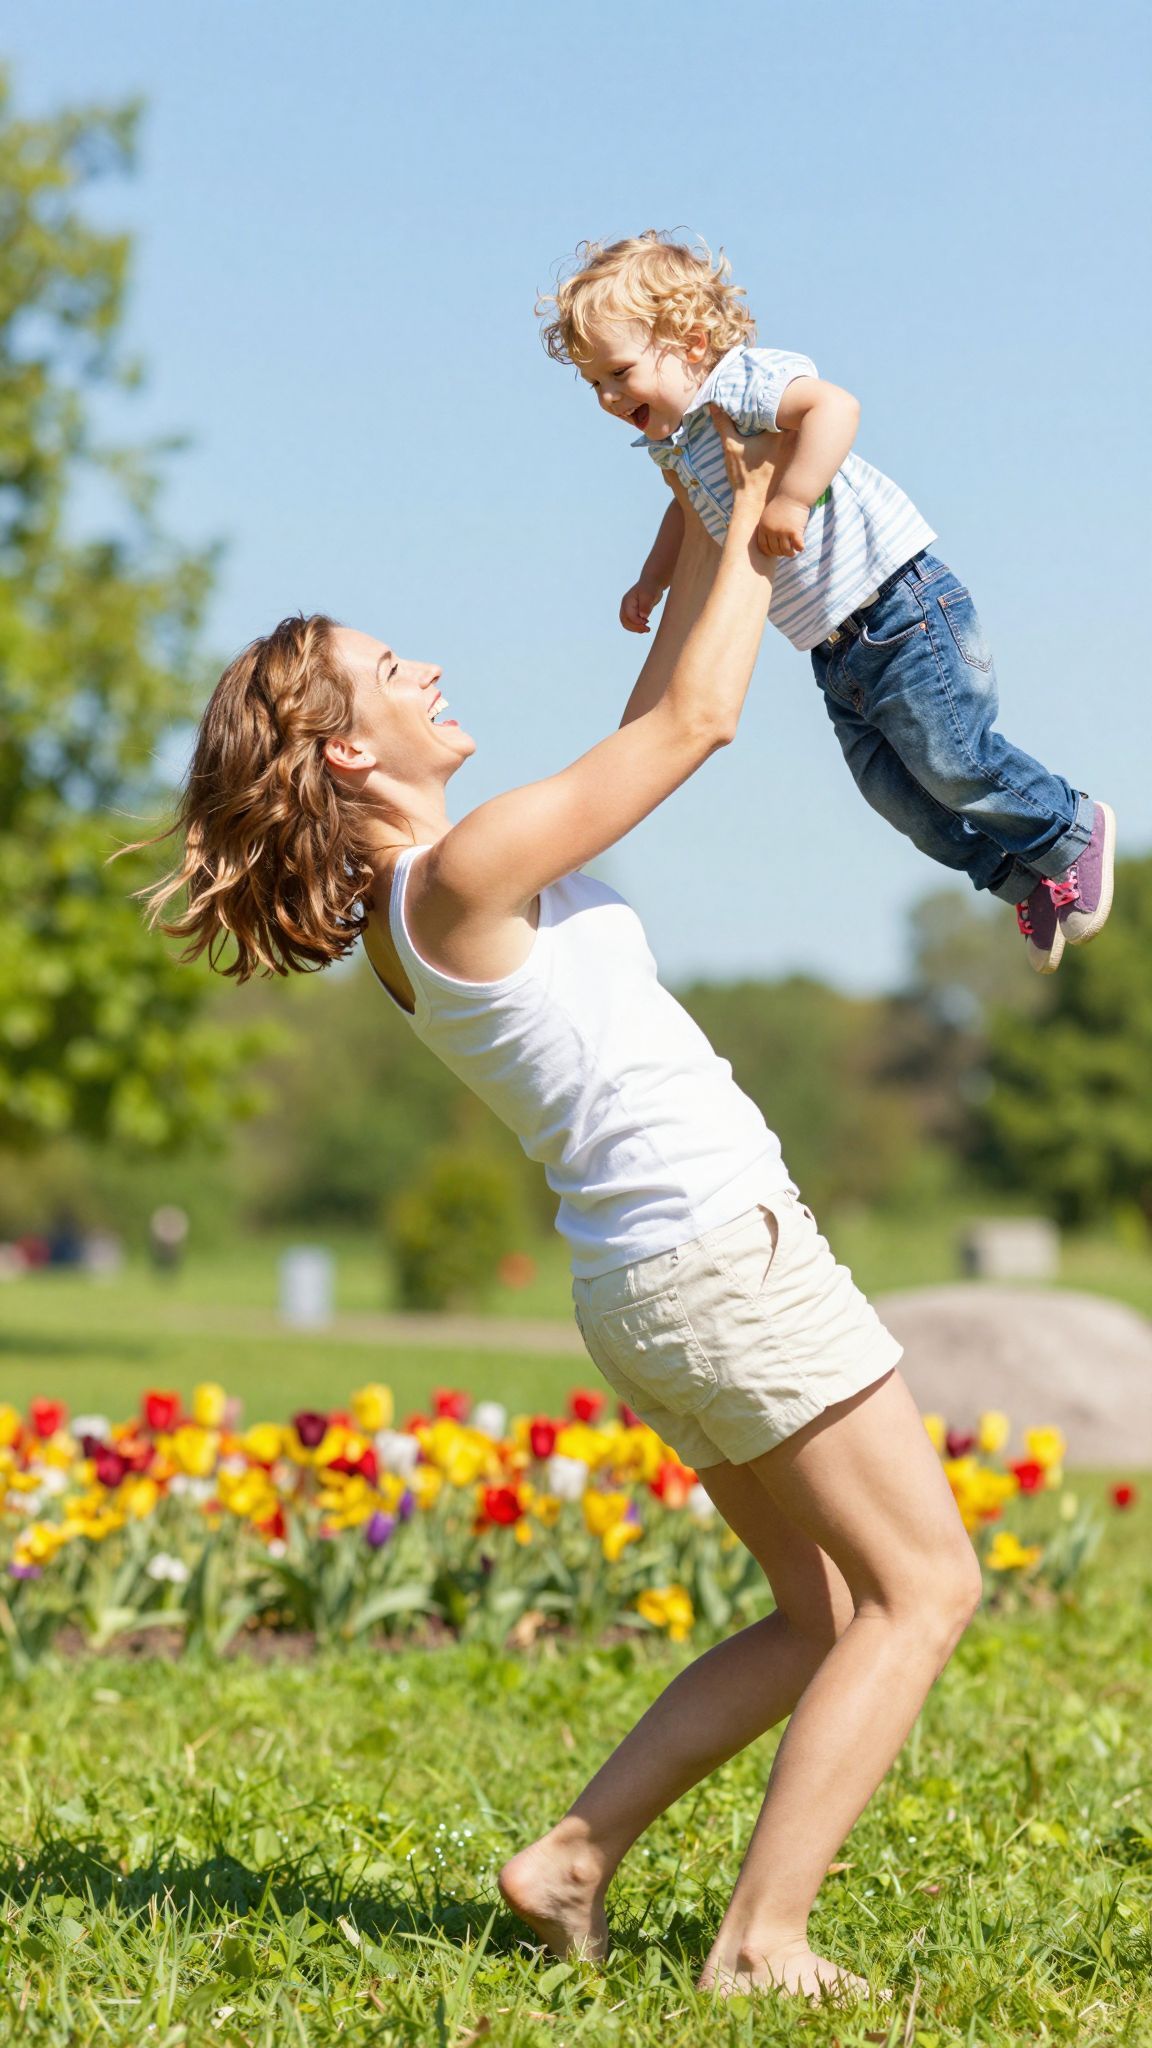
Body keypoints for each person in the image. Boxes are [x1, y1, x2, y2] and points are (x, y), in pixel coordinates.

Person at [141, 418, 981, 2004]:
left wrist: (698, 503)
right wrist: (775, 515)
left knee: (816, 1609)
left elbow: (651, 715)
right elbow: (700, 723)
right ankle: (760, 1944)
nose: (431, 670)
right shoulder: (456, 877)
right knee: (923, 1587)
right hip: (721, 1257)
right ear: (345, 751)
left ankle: (571, 1860)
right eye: (396, 670)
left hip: (650, 1283)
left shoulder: (445, 895)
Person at [538, 231, 1116, 976]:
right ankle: (1022, 877)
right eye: (595, 386)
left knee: (952, 758)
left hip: (899, 608)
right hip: (833, 649)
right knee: (896, 797)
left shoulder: (740, 384)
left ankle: (1071, 829)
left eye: (619, 372)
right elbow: (685, 513)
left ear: (688, 340)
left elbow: (836, 408)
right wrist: (653, 580)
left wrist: (792, 496)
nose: (611, 398)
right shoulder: (677, 445)